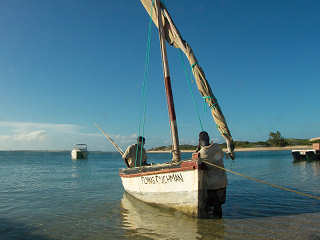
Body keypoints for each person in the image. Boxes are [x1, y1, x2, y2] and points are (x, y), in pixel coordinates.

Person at [196, 131, 227, 218]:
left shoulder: (202, 153)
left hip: (211, 185)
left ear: (199, 140)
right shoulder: (217, 147)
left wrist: (198, 149)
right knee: (218, 206)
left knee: (210, 208)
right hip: (222, 182)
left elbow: (197, 162)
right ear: (209, 138)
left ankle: (213, 227)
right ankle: (219, 226)